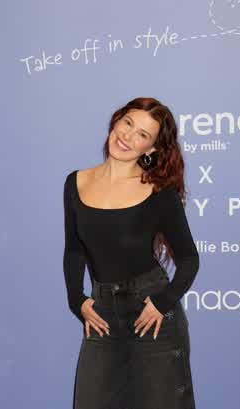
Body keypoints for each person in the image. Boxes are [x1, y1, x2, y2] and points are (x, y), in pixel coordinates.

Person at [63, 97, 200, 409]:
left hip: (151, 316)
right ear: (116, 120)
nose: (127, 136)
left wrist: (162, 302)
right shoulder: (76, 182)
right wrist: (76, 300)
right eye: (128, 123)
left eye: (142, 134)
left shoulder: (158, 190)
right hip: (102, 314)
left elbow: (189, 259)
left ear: (150, 148)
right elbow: (73, 250)